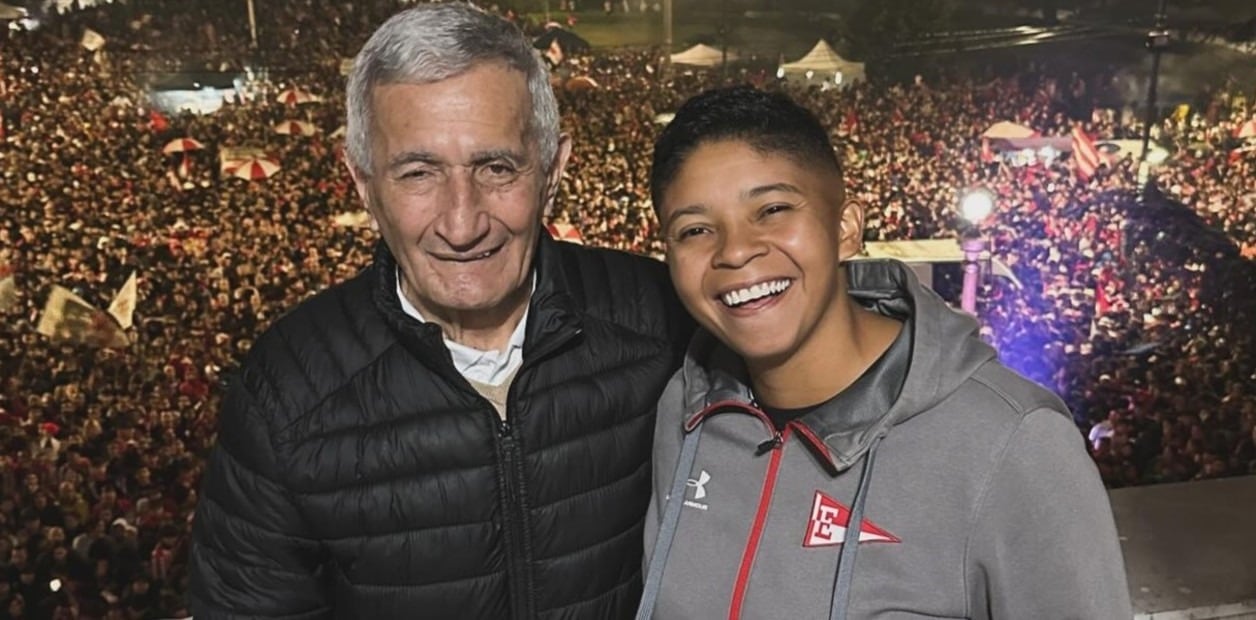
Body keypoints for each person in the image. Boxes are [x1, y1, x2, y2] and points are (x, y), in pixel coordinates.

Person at [186, 4, 689, 618]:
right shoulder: (288, 389)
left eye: (496, 167)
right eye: (419, 173)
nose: (461, 222)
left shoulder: (662, 319)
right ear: (364, 184)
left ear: (554, 170)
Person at [636, 86, 1132, 619]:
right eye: (694, 230)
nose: (734, 250)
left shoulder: (1014, 443)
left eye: (773, 209)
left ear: (846, 227)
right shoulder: (684, 409)